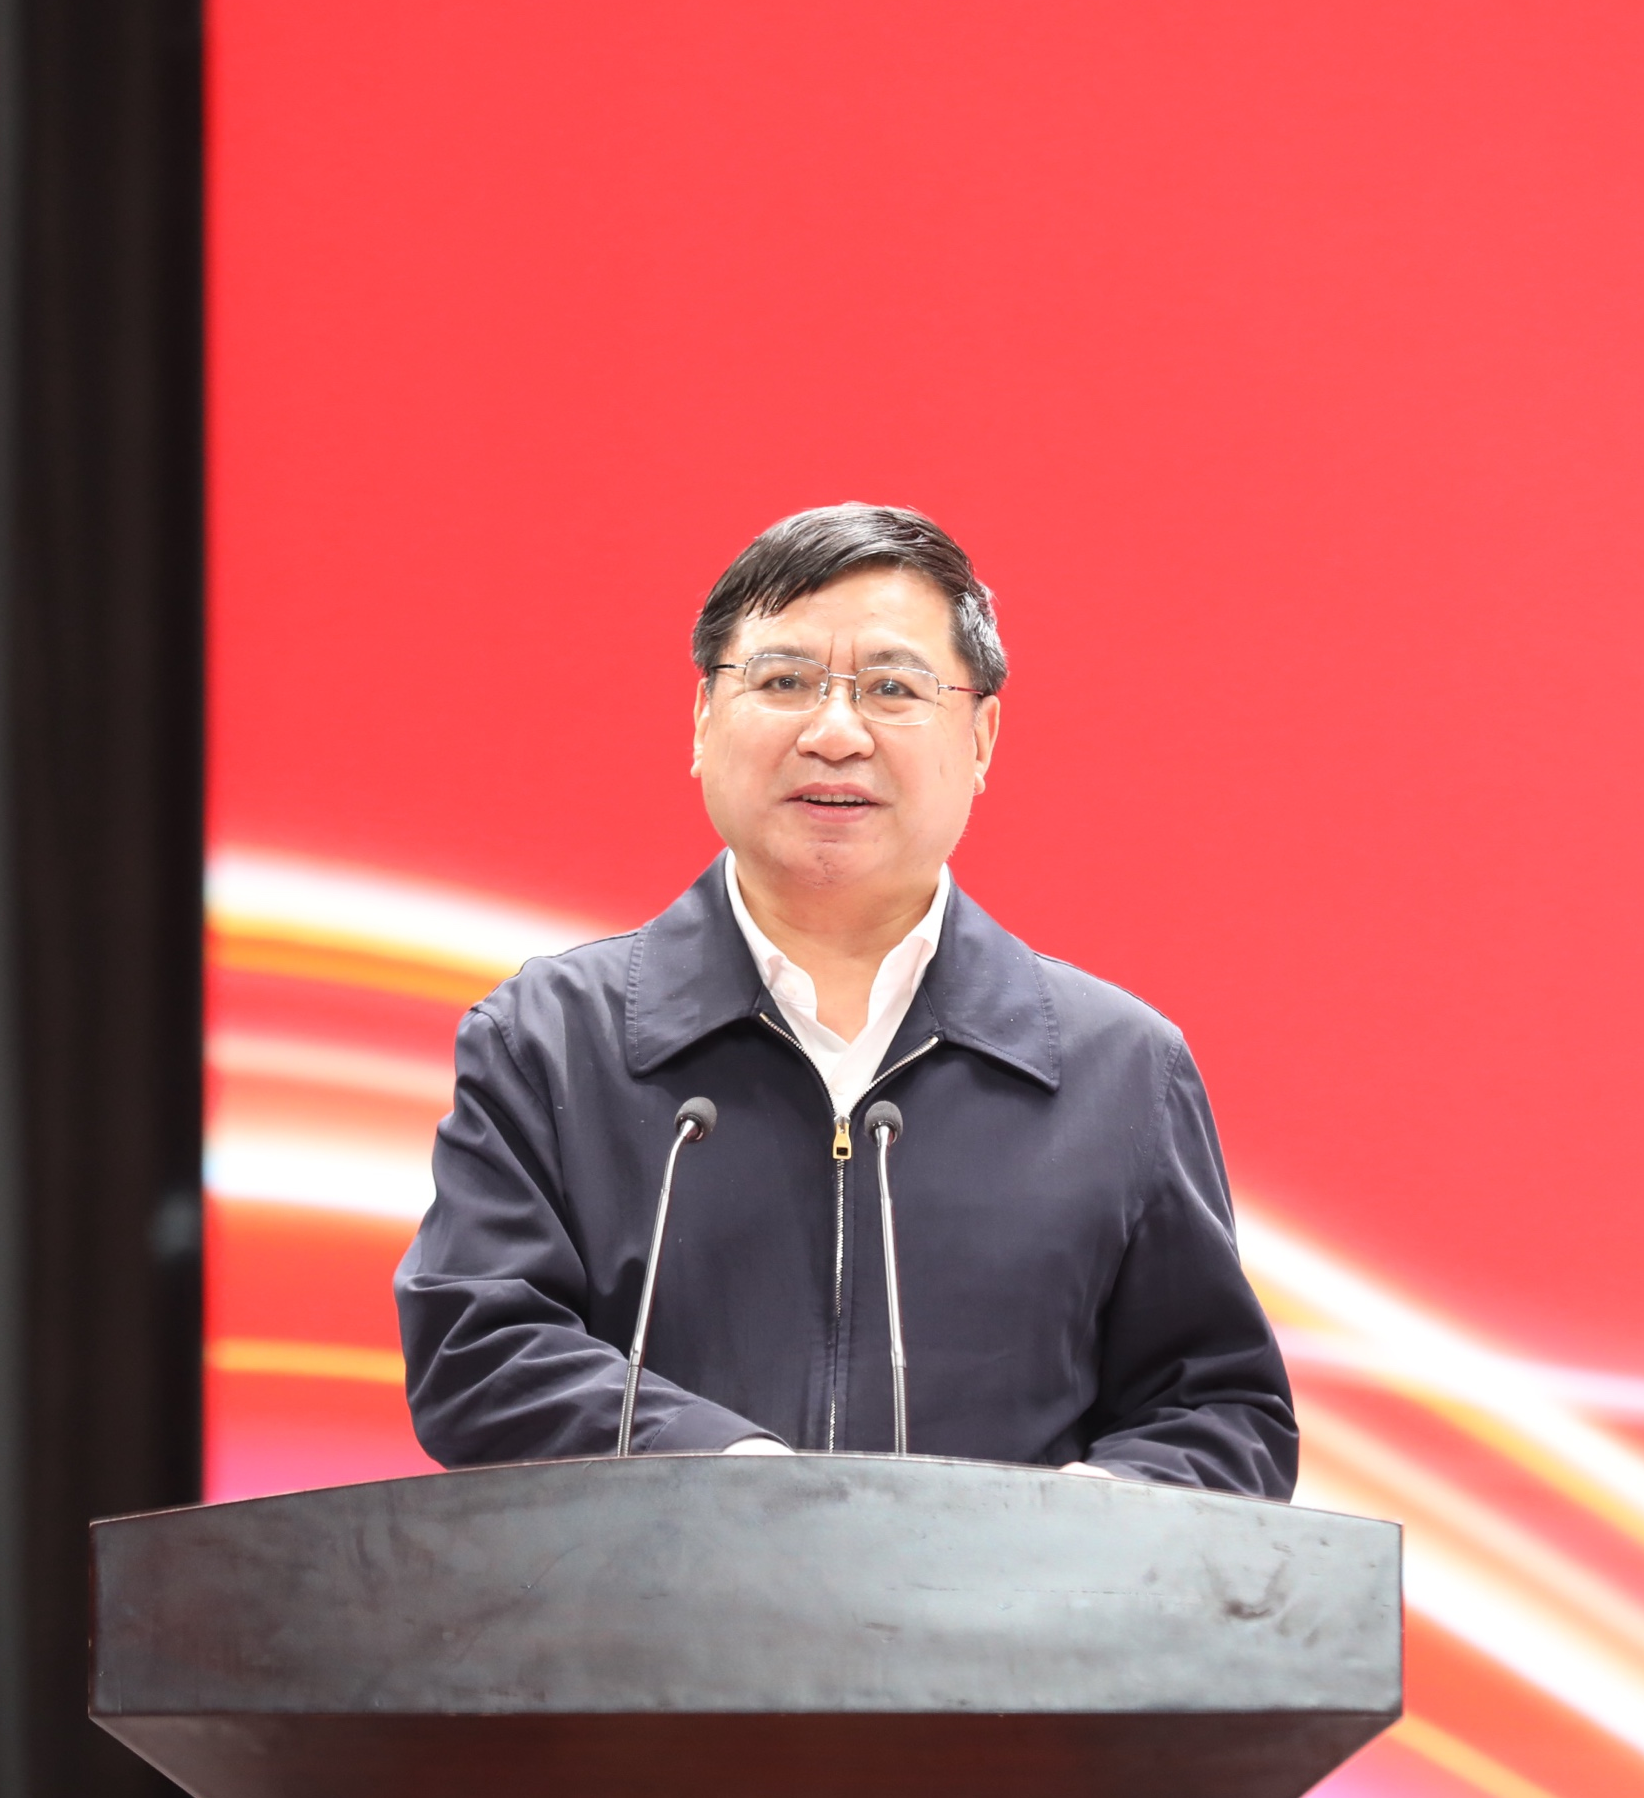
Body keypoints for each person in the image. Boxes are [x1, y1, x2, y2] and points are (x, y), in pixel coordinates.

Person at [396, 502, 1297, 1497]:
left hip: (1003, 1603)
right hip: (658, 1596)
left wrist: (1079, 1525)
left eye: (891, 688)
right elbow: (479, 1348)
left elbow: (1219, 1412)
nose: (834, 733)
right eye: (782, 681)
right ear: (702, 719)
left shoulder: (1116, 1069)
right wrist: (734, 1480)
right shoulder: (551, 1039)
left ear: (981, 736)